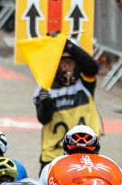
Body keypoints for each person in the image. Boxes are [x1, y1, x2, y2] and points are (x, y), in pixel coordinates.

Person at [32, 36, 100, 164]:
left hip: (84, 152)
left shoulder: (84, 83)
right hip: (53, 156)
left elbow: (93, 68)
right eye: (63, 62)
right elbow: (43, 119)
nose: (67, 66)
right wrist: (46, 104)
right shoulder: (44, 87)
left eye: (71, 62)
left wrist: (65, 43)